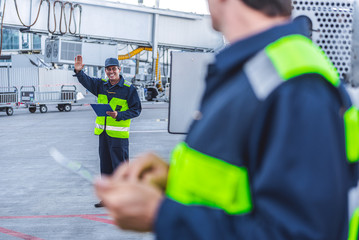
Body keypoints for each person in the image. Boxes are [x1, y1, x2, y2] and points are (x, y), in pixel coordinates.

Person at [95, 0, 359, 239]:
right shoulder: (256, 70)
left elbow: (298, 232)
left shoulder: (295, 85)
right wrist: (172, 180)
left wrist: (160, 214)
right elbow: (250, 184)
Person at [74, 55, 141, 208]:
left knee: (120, 168)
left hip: (119, 135)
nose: (111, 72)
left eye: (114, 69)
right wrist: (79, 72)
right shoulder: (101, 85)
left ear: (119, 69)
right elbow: (87, 81)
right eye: (108, 69)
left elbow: (136, 110)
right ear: (105, 71)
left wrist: (120, 115)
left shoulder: (129, 89)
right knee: (106, 167)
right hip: (103, 134)